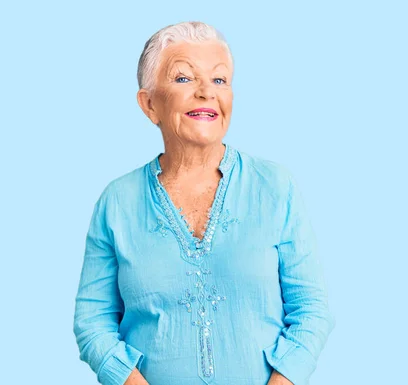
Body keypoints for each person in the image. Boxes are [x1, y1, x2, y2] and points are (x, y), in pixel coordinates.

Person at [72, 21, 335, 385]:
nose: (205, 93)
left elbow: (312, 312)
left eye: (219, 80)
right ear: (150, 104)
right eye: (183, 79)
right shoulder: (117, 202)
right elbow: (93, 321)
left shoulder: (275, 187)